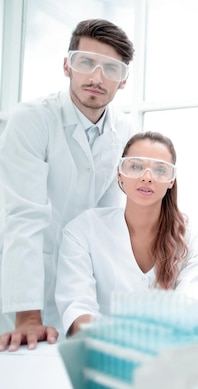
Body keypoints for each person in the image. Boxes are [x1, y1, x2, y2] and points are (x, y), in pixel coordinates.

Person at [0, 19, 135, 351]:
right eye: (86, 62)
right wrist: (27, 315)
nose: (96, 77)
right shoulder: (32, 119)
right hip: (25, 289)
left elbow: (108, 226)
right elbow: (23, 216)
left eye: (111, 68)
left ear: (123, 81)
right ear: (67, 65)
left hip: (80, 288)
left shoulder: (125, 132)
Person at [55, 131, 198, 336]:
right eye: (135, 167)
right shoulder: (84, 230)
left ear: (171, 180)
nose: (147, 178)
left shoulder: (195, 238)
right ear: (120, 172)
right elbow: (78, 309)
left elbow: (187, 310)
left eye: (160, 170)